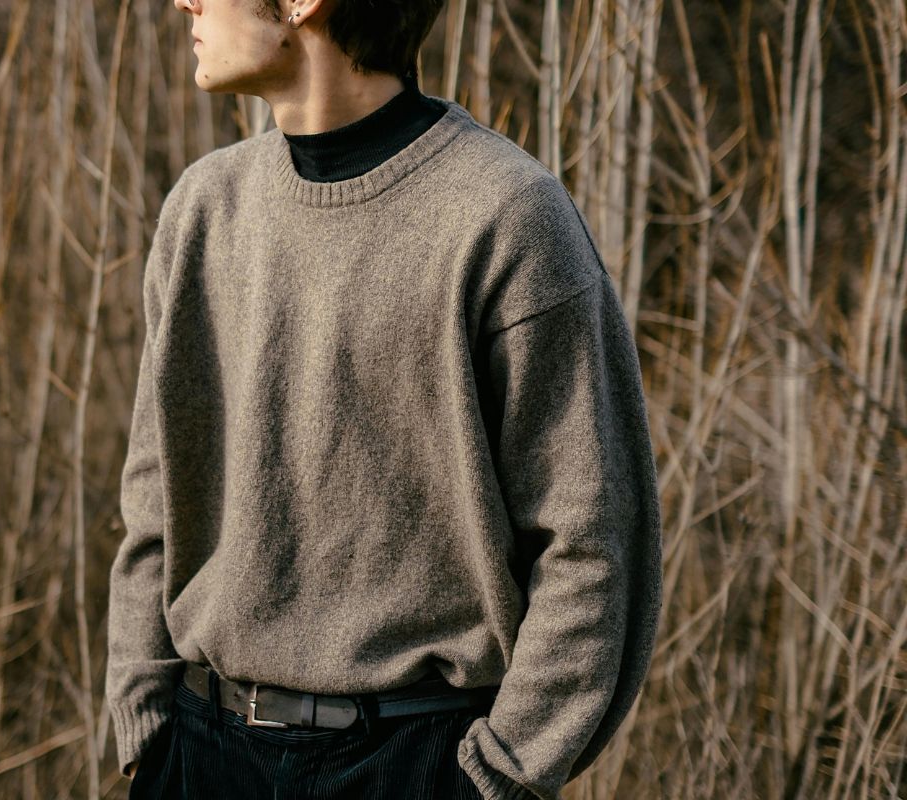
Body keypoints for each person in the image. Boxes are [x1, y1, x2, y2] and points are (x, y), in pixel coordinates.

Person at [104, 0, 664, 797]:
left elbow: (591, 535)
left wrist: (501, 774)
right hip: (200, 751)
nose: (185, 1)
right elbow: (155, 495)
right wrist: (145, 722)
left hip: (415, 760)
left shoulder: (507, 216)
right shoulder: (202, 209)